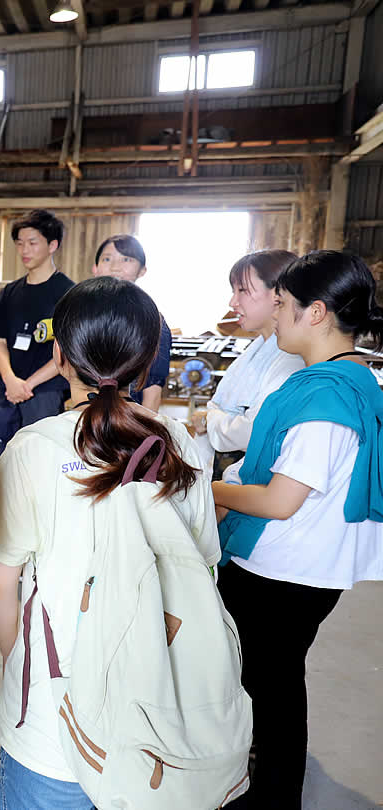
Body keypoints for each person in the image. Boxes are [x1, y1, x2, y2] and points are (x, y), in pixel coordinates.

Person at [0, 276, 219, 810]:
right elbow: (203, 569)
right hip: (156, 713)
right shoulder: (179, 444)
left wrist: (16, 660)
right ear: (149, 359)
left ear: (60, 354)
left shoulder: (33, 448)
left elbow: (0, 583)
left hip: (53, 720)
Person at [213, 250, 383, 809]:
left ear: (315, 313)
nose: (276, 317)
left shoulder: (325, 396)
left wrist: (203, 490)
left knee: (273, 686)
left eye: (282, 305)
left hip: (284, 568)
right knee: (273, 680)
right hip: (301, 564)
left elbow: (282, 500)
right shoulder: (346, 379)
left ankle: (272, 794)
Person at [189, 250, 303, 480]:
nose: (233, 302)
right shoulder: (258, 347)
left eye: (243, 291)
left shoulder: (291, 358)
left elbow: (255, 431)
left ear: (279, 294)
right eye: (234, 291)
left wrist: (209, 419)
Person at [0, 211, 74, 461]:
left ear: (52, 245)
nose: (24, 249)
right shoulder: (9, 292)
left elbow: (67, 349)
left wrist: (29, 384)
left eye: (33, 242)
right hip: (7, 389)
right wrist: (11, 380)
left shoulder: (68, 294)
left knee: (39, 460)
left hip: (45, 392)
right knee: (2, 458)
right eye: (19, 243)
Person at [91, 234, 169, 411]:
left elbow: (153, 389)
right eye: (107, 259)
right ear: (95, 268)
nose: (115, 267)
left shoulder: (152, 320)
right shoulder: (83, 315)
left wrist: (147, 431)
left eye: (126, 259)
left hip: (130, 418)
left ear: (142, 270)